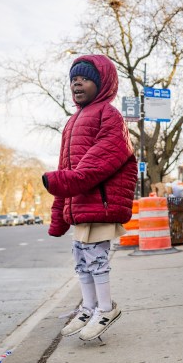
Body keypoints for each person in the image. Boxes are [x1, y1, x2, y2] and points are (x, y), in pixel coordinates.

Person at [42, 54, 138, 341]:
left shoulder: (109, 115)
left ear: (102, 83)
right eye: (73, 79)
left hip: (101, 204)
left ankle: (106, 308)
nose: (77, 83)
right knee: (81, 260)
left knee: (96, 259)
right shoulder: (72, 122)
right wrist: (58, 213)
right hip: (80, 205)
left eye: (84, 78)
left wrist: (63, 181)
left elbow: (95, 165)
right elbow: (66, 169)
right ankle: (88, 307)